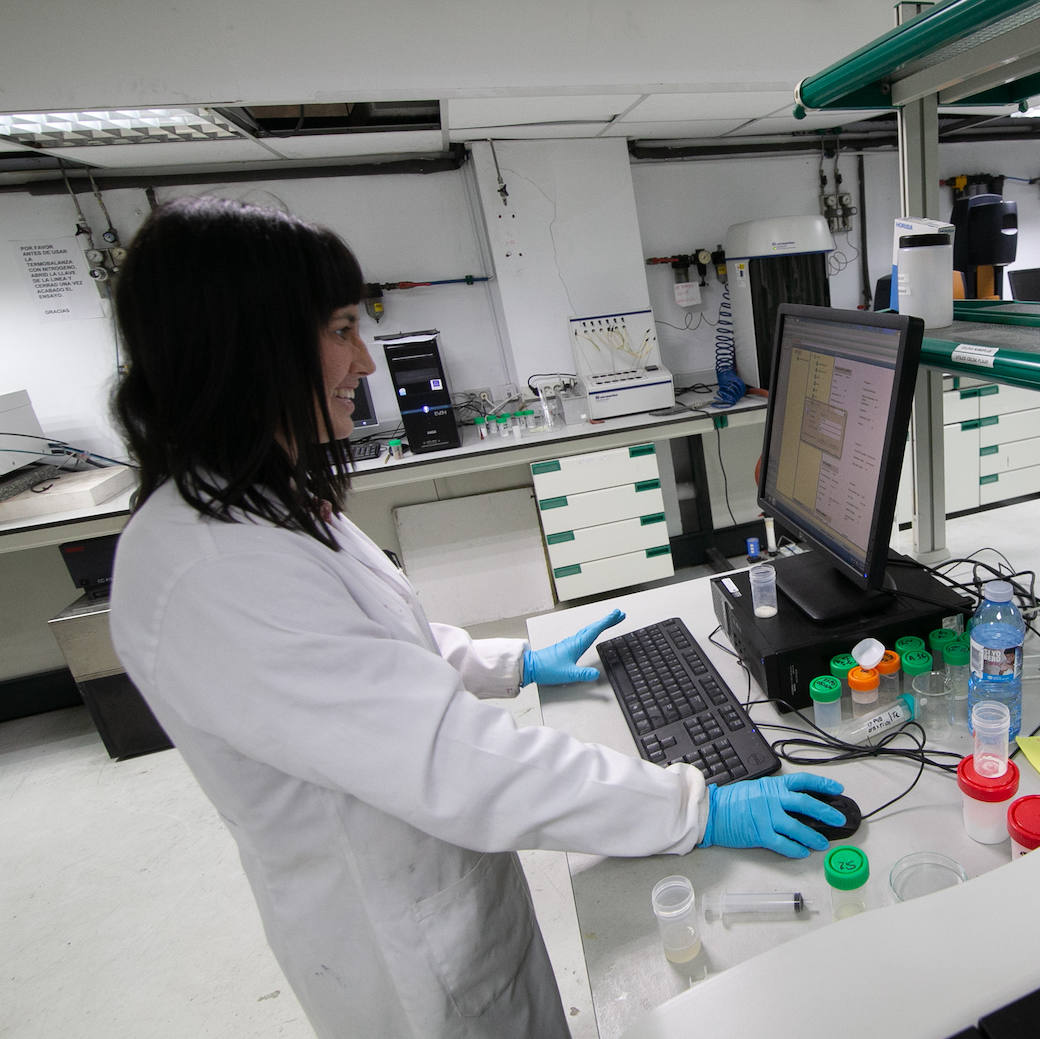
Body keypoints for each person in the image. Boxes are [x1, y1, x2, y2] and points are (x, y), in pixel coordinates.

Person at [108, 196, 845, 1039]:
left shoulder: (259, 499)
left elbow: (368, 655)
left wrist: (510, 665)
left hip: (447, 906)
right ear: (249, 348)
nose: (366, 363)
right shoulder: (212, 574)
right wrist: (696, 805)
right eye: (342, 329)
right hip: (408, 963)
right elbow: (453, 761)